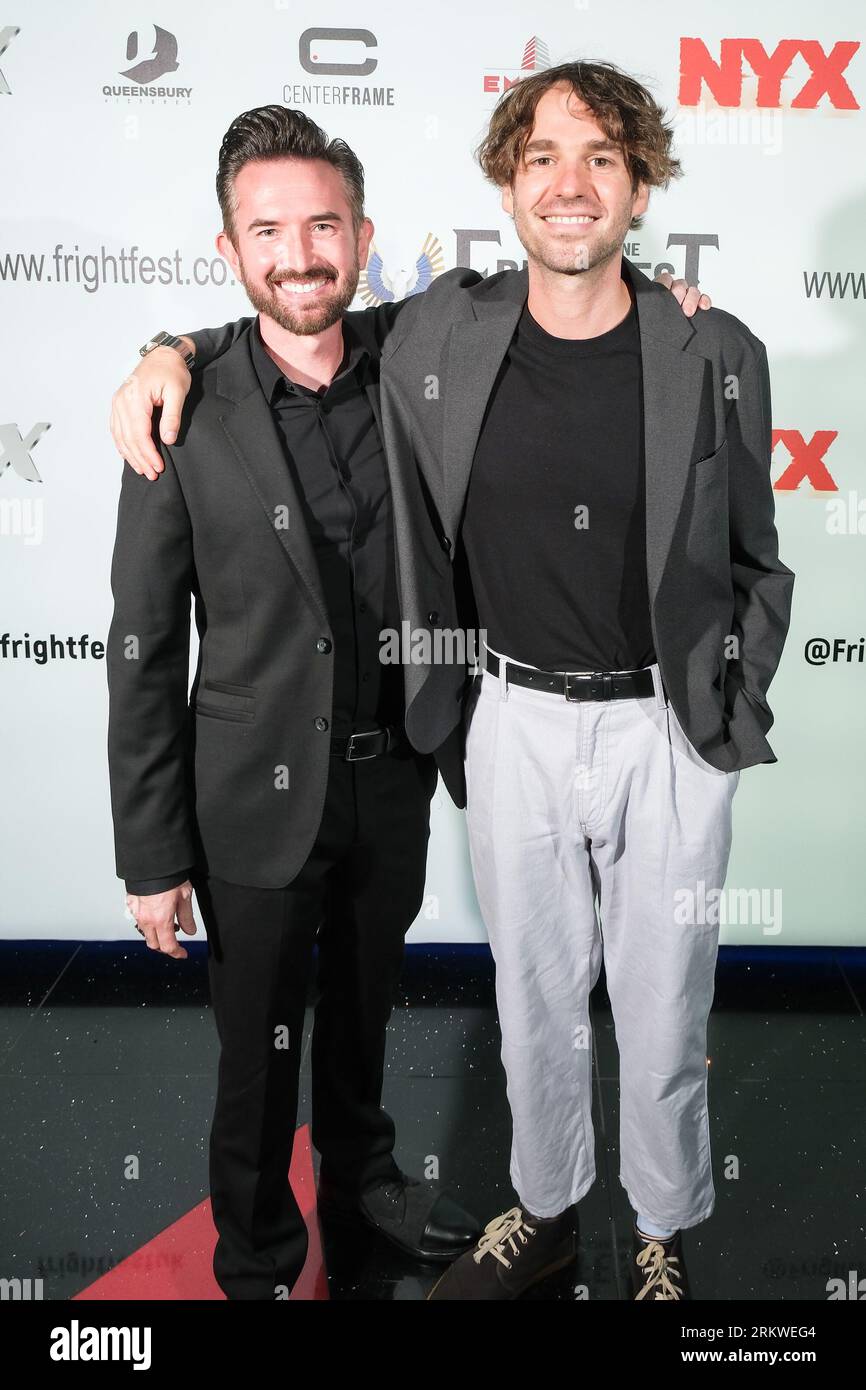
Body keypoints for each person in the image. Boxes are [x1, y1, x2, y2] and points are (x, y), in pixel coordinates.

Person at [109, 76, 731, 1301]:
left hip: (389, 776)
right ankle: (258, 1262)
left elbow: (568, 295)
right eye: (269, 232)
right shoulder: (180, 412)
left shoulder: (419, 350)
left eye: (325, 227)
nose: (302, 257)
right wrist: (149, 852)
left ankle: (363, 1205)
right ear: (227, 249)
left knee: (359, 1027)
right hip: (248, 797)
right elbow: (140, 647)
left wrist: (668, 301)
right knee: (255, 1057)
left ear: (362, 234)